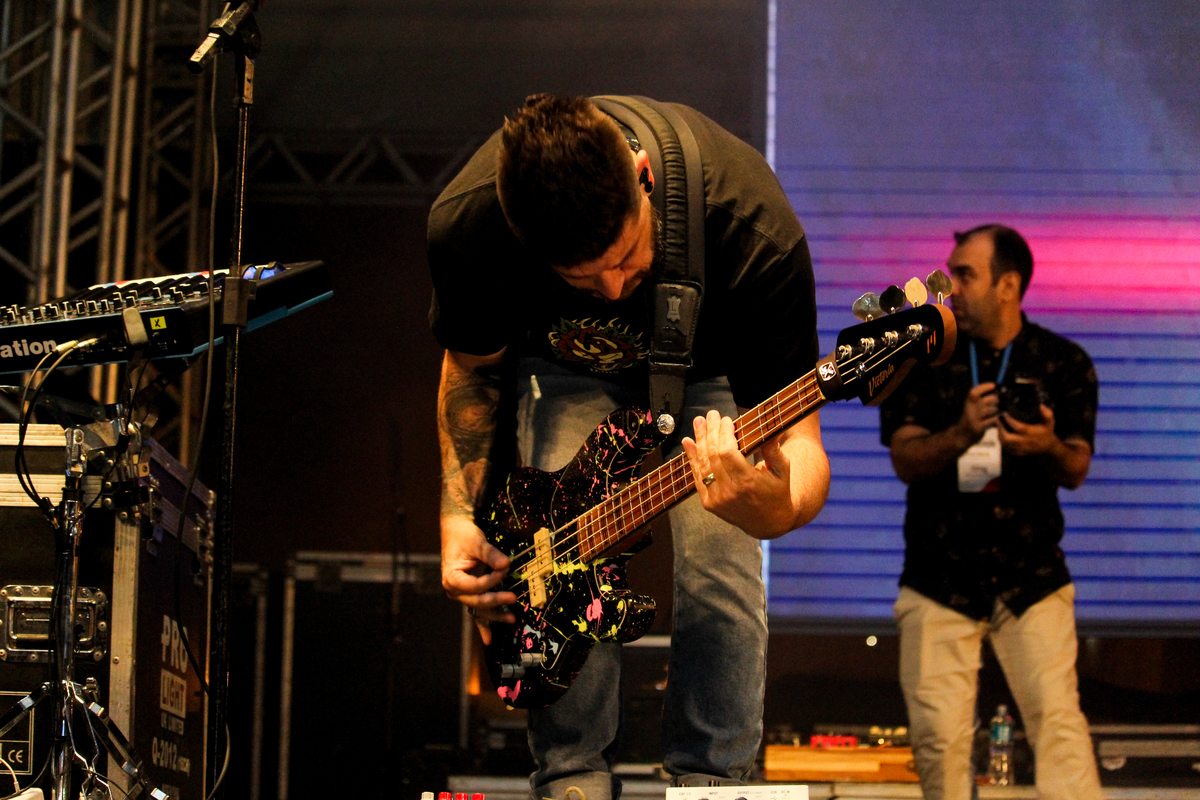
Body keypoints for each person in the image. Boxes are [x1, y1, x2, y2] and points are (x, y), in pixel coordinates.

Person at [427, 94, 830, 800]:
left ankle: (713, 782)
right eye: (581, 278)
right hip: (566, 372)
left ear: (643, 176)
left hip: (713, 372)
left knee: (720, 561)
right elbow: (472, 370)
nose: (613, 289)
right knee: (555, 560)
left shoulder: (750, 224)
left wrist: (778, 508)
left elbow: (802, 443)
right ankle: (571, 779)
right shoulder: (470, 224)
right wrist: (458, 514)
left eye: (625, 257)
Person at [879, 224, 1102, 800]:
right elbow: (905, 458)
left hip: (1033, 575)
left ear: (1008, 285)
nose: (950, 286)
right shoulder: (921, 360)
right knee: (939, 745)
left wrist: (1046, 445)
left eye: (965, 274)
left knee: (1061, 729)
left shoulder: (1063, 362)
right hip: (939, 576)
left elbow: (1076, 466)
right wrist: (961, 432)